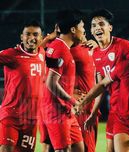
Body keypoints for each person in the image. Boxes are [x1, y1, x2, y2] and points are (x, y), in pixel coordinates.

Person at [85, 8, 129, 152]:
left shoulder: (124, 45)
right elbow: (100, 86)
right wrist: (94, 112)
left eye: (101, 24)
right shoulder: (95, 54)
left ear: (110, 27)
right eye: (94, 25)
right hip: (115, 110)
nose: (97, 28)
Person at [39, 10, 85, 152]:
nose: (84, 30)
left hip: (65, 110)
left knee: (79, 148)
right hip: (56, 112)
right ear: (73, 29)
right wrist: (72, 100)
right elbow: (51, 82)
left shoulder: (58, 47)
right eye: (82, 27)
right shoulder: (60, 49)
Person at [0, 20, 45, 152]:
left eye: (36, 34)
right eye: (28, 34)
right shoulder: (12, 54)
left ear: (41, 37)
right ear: (21, 37)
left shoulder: (43, 53)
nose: (31, 38)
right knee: (6, 149)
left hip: (31, 119)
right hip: (11, 116)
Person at [70, 36, 99, 152]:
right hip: (81, 109)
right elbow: (49, 77)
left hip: (91, 108)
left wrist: (98, 48)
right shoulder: (70, 51)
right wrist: (70, 93)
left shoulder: (89, 50)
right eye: (81, 28)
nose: (84, 34)